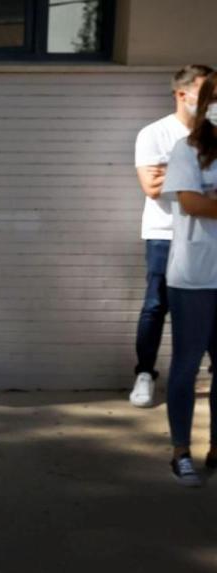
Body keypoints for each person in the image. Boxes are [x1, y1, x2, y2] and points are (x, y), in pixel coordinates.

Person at [131, 64, 213, 408]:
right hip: (164, 233)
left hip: (208, 238)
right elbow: (151, 187)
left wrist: (177, 177)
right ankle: (145, 374)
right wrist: (195, 183)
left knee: (207, 309)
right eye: (208, 92)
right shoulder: (154, 133)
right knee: (156, 304)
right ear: (183, 94)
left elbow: (174, 186)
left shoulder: (215, 134)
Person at [159, 70, 217, 487]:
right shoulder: (188, 149)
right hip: (195, 276)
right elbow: (193, 203)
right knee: (186, 366)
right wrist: (207, 199)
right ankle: (181, 449)